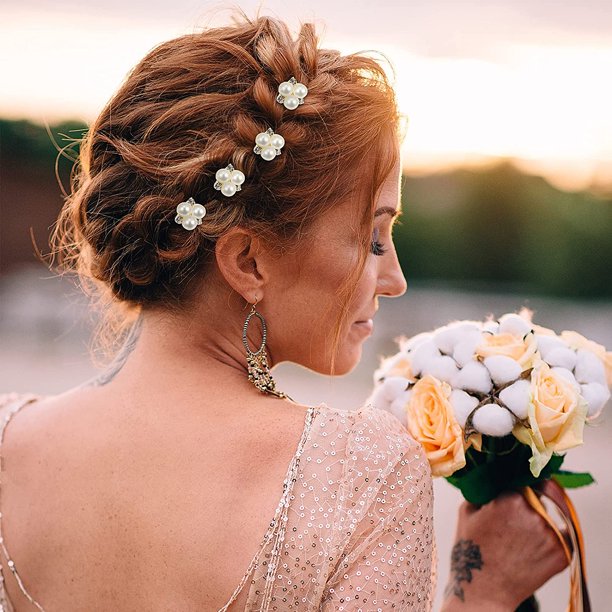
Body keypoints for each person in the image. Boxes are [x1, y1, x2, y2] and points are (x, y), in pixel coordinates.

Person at [0, 12, 568, 611]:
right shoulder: (358, 469)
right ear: (247, 261)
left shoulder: (9, 441)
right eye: (373, 238)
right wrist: (485, 593)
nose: (395, 279)